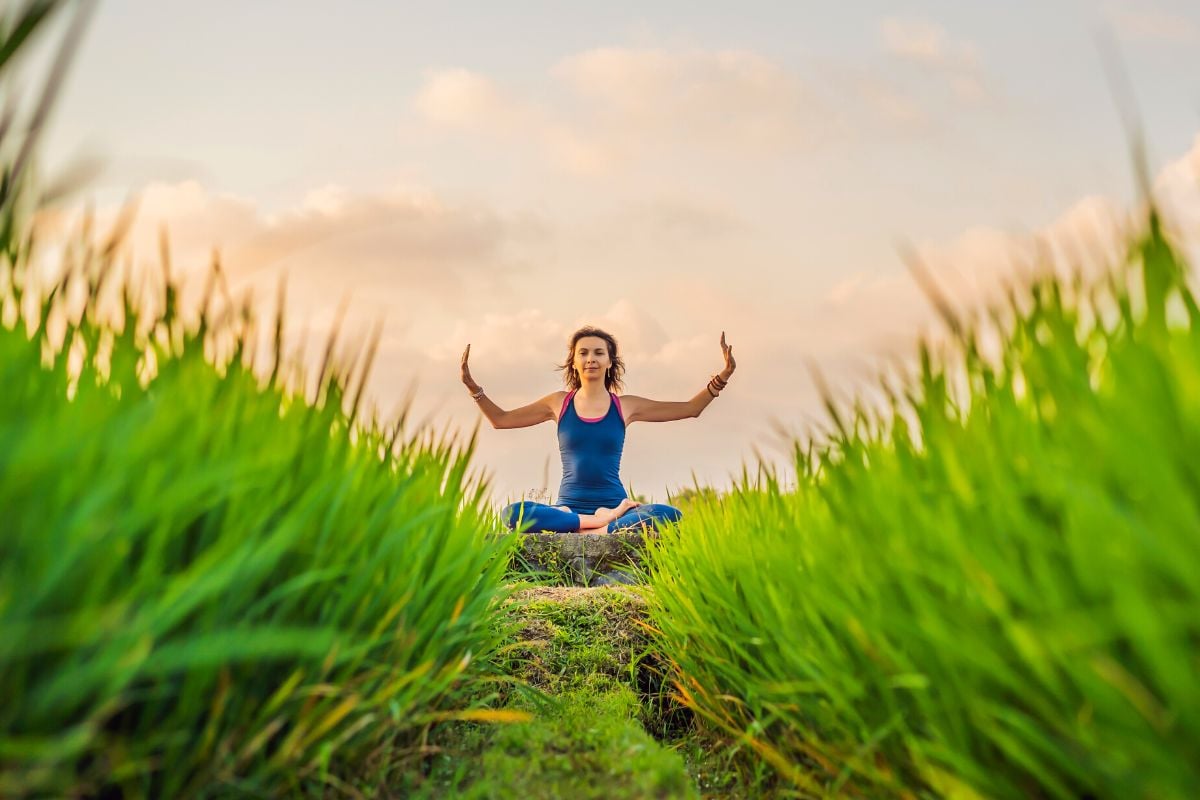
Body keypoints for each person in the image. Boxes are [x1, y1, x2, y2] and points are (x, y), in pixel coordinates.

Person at [460, 326, 736, 534]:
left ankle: (597, 526)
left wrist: (722, 377)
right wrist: (474, 389)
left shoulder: (625, 406)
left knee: (669, 514)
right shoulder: (558, 403)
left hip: (617, 506)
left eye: (598, 352)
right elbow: (501, 419)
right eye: (583, 352)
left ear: (609, 361)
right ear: (574, 361)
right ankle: (600, 524)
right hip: (568, 508)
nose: (590, 358)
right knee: (513, 513)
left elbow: (690, 408)